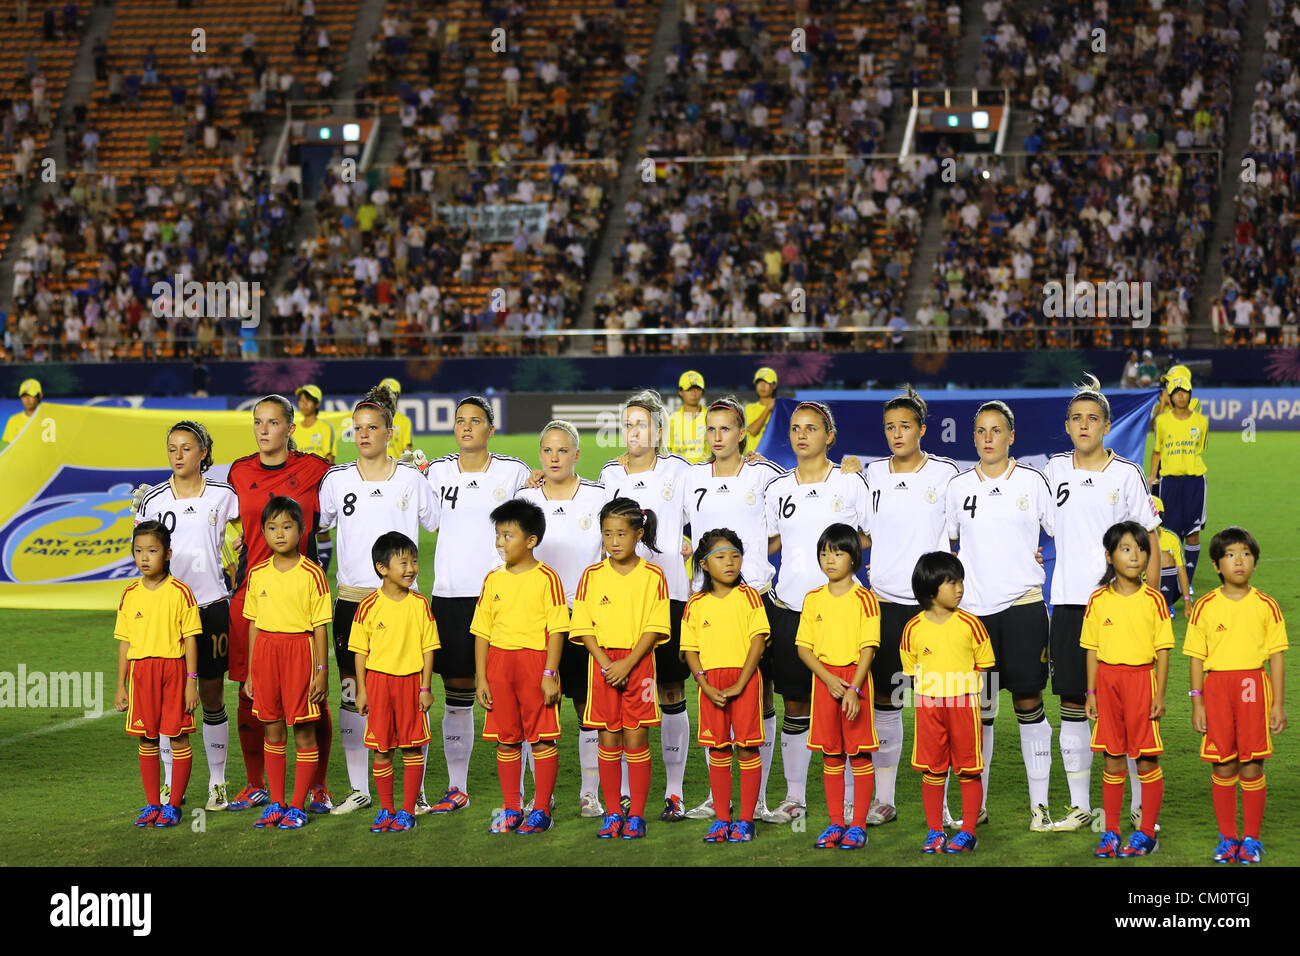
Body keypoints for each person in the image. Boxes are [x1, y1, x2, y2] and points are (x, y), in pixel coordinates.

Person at [1044, 374, 1161, 832]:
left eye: (1093, 418)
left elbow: (1148, 535)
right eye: (1076, 419)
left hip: (1121, 607)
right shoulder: (1052, 470)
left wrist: (1150, 600)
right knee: (1074, 704)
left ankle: (1136, 805)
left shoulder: (1126, 473)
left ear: (1107, 426)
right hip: (1070, 604)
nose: (1084, 425)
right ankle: (1080, 806)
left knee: (1129, 711)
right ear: (1068, 426)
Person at [319, 384, 440, 815]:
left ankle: (416, 791)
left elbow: (435, 522)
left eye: (373, 427)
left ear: (390, 431)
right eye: (358, 429)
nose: (364, 434)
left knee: (410, 696)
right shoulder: (335, 480)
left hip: (403, 603)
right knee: (354, 693)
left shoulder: (411, 478)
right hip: (354, 600)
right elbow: (321, 526)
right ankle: (359, 787)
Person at [943, 401, 1056, 831]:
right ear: (973, 438)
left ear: (1011, 436)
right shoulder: (957, 487)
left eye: (996, 430)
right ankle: (977, 807)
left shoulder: (1033, 482)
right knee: (980, 710)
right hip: (973, 614)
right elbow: (949, 544)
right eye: (980, 431)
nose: (987, 438)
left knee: (1029, 703)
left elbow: (1059, 530)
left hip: (1023, 607)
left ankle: (1039, 807)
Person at [761, 400, 870, 823]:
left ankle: (848, 802)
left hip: (841, 611)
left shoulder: (850, 483)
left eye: (811, 428)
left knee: (846, 704)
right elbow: (769, 543)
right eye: (794, 428)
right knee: (795, 704)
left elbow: (869, 535)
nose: (801, 435)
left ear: (829, 436)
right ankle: (794, 797)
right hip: (790, 608)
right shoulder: (777, 488)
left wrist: (840, 573)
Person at [423, 395, 532, 813]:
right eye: (460, 421)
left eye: (475, 420)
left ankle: (521, 794)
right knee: (457, 691)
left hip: (500, 596)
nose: (466, 427)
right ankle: (456, 787)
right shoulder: (435, 472)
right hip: (450, 595)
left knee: (510, 694)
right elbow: (427, 520)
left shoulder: (514, 472)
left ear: (490, 428)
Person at [226, 395, 334, 813]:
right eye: (258, 422)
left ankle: (318, 786)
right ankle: (256, 784)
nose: (263, 429)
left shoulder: (315, 469)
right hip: (250, 595)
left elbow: (363, 483)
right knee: (249, 693)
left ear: (291, 429)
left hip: (300, 597)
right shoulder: (239, 471)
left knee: (312, 695)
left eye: (272, 422)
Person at [861, 386, 960, 826]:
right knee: (886, 702)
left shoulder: (946, 474)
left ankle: (943, 808)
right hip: (884, 605)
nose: (896, 434)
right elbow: (862, 533)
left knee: (940, 705)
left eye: (904, 426)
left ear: (922, 429)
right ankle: (884, 800)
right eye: (889, 427)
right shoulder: (871, 475)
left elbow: (963, 533)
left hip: (932, 610)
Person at [684, 396, 784, 821]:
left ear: (743, 433)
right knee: (715, 699)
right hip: (706, 600)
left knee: (757, 697)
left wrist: (755, 561)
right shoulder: (690, 477)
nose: (717, 437)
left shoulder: (764, 474)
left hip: (753, 596)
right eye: (711, 429)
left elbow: (782, 531)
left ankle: (756, 800)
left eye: (726, 429)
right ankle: (718, 799)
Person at [599, 389, 694, 822]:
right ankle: (621, 792)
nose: (633, 431)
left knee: (672, 692)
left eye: (641, 423)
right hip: (620, 604)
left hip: (670, 597)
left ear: (658, 429)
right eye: (628, 424)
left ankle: (673, 792)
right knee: (620, 697)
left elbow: (707, 507)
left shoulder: (680, 470)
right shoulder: (608, 472)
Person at [135, 421, 239, 811]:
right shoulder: (154, 500)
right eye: (172, 448)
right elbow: (144, 553)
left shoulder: (224, 496)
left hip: (211, 606)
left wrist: (237, 559)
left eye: (186, 448)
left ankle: (217, 782)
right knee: (165, 703)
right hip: (167, 614)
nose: (178, 456)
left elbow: (249, 533)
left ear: (204, 454)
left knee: (211, 694)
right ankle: (167, 786)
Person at [516, 420, 607, 817]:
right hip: (537, 621)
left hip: (585, 619)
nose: (554, 458)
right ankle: (542, 796)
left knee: (589, 711)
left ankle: (590, 793)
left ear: (576, 455)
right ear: (540, 456)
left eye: (562, 451)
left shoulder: (599, 496)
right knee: (537, 712)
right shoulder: (525, 500)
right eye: (548, 451)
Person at [568, 497, 671, 839]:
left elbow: (656, 627)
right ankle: (613, 813)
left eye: (621, 534)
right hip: (602, 666)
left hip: (638, 665)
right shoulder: (591, 575)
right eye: (607, 534)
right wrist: (606, 662)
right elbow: (582, 625)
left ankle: (637, 814)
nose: (613, 541)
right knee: (608, 739)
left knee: (637, 738)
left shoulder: (653, 576)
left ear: (638, 534)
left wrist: (627, 662)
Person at [1185, 526, 1288, 865]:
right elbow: (1197, 658)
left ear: (1254, 562)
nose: (1239, 561)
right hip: (1216, 691)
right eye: (1230, 555)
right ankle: (1228, 838)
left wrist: (1278, 704)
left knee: (1252, 766)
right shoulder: (1205, 607)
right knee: (1224, 765)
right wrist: (1197, 701)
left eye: (1245, 554)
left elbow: (1276, 656)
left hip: (1254, 690)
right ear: (1217, 565)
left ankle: (1251, 840)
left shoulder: (1266, 606)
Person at [471, 499, 569, 834]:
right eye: (498, 535)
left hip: (534, 664)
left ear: (530, 541)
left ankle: (541, 809)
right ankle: (512, 807)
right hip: (499, 665)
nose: (500, 542)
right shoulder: (492, 580)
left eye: (508, 535)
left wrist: (549, 673)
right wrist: (482, 677)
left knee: (541, 739)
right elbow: (482, 631)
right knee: (507, 739)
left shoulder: (547, 579)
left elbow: (557, 629)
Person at [1082, 521, 1172, 858]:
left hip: (1141, 683)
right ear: (1109, 556)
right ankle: (1111, 833)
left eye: (1140, 549)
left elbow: (1163, 651)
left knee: (1146, 760)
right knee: (1113, 760)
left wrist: (1160, 695)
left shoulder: (1154, 600)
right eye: (1126, 549)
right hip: (1107, 684)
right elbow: (1091, 649)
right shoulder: (1097, 600)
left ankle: (1146, 833)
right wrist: (1090, 693)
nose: (1135, 555)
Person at [243, 496, 332, 830]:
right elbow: (253, 623)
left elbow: (321, 626)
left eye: (286, 526)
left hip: (299, 652)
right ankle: (276, 803)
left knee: (304, 731)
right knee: (272, 728)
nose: (279, 534)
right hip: (266, 654)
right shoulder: (257, 573)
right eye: (271, 527)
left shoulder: (312, 573)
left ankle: (297, 805)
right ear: (264, 531)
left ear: (301, 530)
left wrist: (321, 672)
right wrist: (252, 670)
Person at [900, 552, 994, 854]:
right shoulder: (912, 629)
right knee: (933, 769)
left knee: (968, 769)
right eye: (951, 582)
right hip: (929, 706)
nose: (959, 588)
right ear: (930, 588)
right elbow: (909, 673)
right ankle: (935, 831)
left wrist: (976, 702)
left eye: (961, 581)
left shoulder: (971, 625)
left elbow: (985, 667)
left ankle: (967, 831)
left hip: (964, 704)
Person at [681, 528, 769, 844]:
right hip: (711, 685)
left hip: (744, 681)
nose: (729, 563)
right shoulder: (696, 603)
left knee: (746, 747)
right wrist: (704, 684)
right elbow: (690, 649)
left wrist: (741, 683)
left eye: (735, 556)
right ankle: (721, 819)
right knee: (718, 748)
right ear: (704, 564)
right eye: (720, 557)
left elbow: (758, 642)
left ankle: (745, 820)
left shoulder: (749, 597)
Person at [796, 524, 880, 850]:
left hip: (855, 681)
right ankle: (835, 824)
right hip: (825, 681)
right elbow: (803, 648)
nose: (829, 559)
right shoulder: (813, 598)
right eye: (824, 552)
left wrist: (852, 690)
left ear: (854, 557)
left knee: (858, 755)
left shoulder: (865, 599)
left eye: (838, 552)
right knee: (831, 755)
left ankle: (857, 825)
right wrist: (829, 680)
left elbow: (868, 649)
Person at [351, 532, 439, 834]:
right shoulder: (368, 606)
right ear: (382, 568)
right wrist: (361, 691)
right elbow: (360, 652)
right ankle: (386, 809)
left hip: (411, 685)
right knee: (382, 748)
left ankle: (406, 810)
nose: (411, 568)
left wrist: (426, 688)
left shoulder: (420, 604)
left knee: (413, 748)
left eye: (414, 561)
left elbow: (429, 648)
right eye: (403, 562)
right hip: (378, 685)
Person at [114, 521, 201, 828]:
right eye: (139, 551)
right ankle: (152, 804)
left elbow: (191, 638)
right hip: (141, 673)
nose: (144, 557)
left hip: (174, 671)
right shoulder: (129, 594)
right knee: (147, 739)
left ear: (167, 554)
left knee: (177, 737)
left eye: (152, 550)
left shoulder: (181, 592)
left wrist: (192, 682)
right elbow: (125, 642)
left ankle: (173, 804)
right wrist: (120, 686)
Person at [1149, 368, 1209, 596]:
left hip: (1193, 481)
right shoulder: (1164, 419)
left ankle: (1187, 582)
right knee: (1169, 533)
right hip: (1169, 481)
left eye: (1173, 384)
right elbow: (1158, 444)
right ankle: (1169, 588)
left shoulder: (1200, 418)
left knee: (1192, 531)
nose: (1172, 391)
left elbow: (1199, 447)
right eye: (1171, 387)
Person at [295, 384, 337, 573]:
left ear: (317, 403)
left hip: (319, 486)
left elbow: (329, 459)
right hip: (298, 486)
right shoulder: (293, 428)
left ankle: (322, 570)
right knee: (300, 528)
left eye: (307, 400)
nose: (303, 404)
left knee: (321, 529)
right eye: (301, 400)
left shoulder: (325, 428)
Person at [1151, 496, 1191, 615]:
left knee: (1164, 557)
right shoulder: (1135, 538)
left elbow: (1181, 570)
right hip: (1143, 586)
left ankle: (1166, 606)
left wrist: (1188, 603)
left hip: (1170, 589)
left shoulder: (1171, 538)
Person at [666, 370, 708, 463]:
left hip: (705, 472)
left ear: (702, 391)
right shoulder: (672, 420)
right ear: (680, 392)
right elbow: (665, 451)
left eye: (697, 388)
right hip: (679, 473)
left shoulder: (712, 418)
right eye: (689, 389)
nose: (694, 393)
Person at [745, 366, 778, 452]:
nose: (762, 386)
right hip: (753, 460)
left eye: (766, 382)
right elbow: (753, 430)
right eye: (759, 382)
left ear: (774, 385)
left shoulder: (780, 408)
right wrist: (767, 409)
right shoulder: (749, 408)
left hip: (773, 459)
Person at [379, 377, 414, 458]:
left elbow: (407, 451)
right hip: (374, 468)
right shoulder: (371, 418)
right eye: (385, 394)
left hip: (396, 468)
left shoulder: (404, 421)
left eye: (392, 394)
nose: (387, 398)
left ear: (397, 396)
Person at [2, 378, 41, 443]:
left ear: (40, 396)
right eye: (24, 396)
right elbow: (7, 447)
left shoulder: (49, 420)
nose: (27, 399)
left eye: (31, 395)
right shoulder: (13, 420)